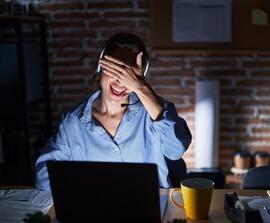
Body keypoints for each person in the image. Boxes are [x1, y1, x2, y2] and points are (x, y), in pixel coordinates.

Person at [35, 33, 192, 190]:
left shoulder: (153, 110)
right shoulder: (74, 122)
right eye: (116, 69)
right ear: (101, 66)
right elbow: (44, 175)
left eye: (129, 74)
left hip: (149, 210)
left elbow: (176, 150)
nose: (120, 81)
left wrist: (141, 88)